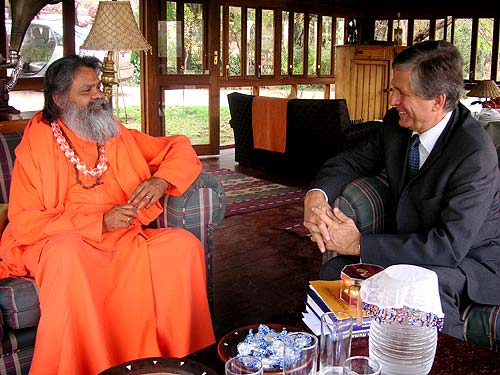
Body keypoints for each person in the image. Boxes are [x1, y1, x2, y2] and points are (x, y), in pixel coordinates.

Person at [0, 55, 215, 374]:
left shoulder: (112, 132)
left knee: (181, 246)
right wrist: (99, 222)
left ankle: (177, 362)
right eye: (87, 90)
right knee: (67, 255)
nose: (99, 95)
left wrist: (161, 180)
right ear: (60, 99)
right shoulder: (36, 144)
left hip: (124, 236)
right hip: (63, 239)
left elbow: (177, 147)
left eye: (98, 87)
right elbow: (25, 221)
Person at [304, 40, 500, 340]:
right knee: (336, 274)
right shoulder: (396, 125)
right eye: (392, 89)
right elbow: (349, 161)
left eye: (401, 93)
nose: (392, 100)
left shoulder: (473, 154)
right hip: (407, 244)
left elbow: (447, 247)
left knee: (421, 290)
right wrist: (316, 197)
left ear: (437, 100)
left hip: (467, 260)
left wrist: (359, 244)